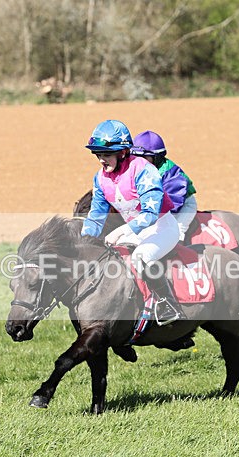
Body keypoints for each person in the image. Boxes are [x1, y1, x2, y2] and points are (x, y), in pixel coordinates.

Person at [81, 119, 184, 325]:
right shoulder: (100, 179)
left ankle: (168, 304)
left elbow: (151, 213)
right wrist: (83, 237)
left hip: (161, 227)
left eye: (106, 154)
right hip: (136, 231)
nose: (101, 159)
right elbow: (97, 214)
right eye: (98, 154)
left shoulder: (143, 170)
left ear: (122, 153)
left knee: (140, 257)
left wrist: (122, 230)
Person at [130, 131, 197, 240]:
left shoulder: (171, 174)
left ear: (156, 157)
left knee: (174, 233)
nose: (139, 162)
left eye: (144, 158)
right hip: (154, 205)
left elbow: (172, 205)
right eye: (135, 157)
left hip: (182, 206)